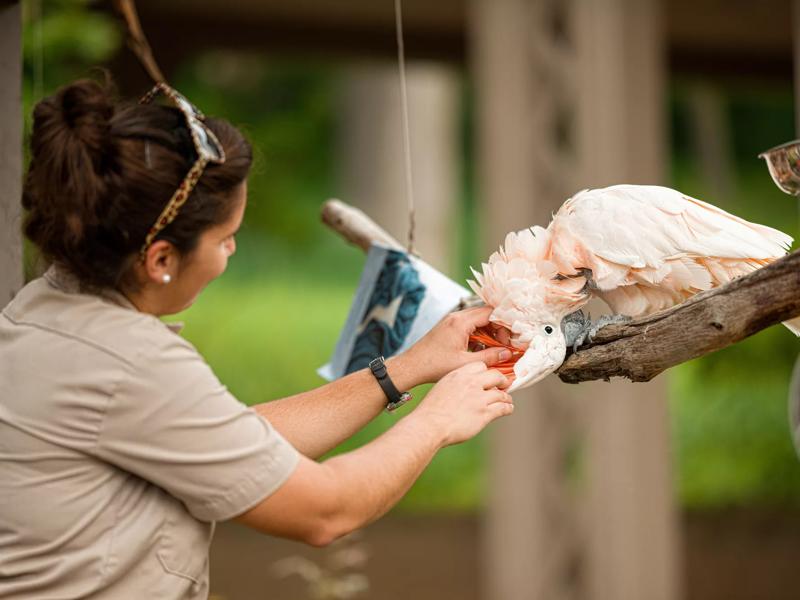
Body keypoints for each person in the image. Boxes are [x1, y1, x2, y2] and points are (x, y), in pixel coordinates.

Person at [0, 78, 514, 599]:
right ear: (160, 259)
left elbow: (234, 439)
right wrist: (436, 422)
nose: (233, 252)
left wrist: (409, 366)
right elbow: (326, 511)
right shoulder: (132, 362)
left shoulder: (45, 311)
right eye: (225, 239)